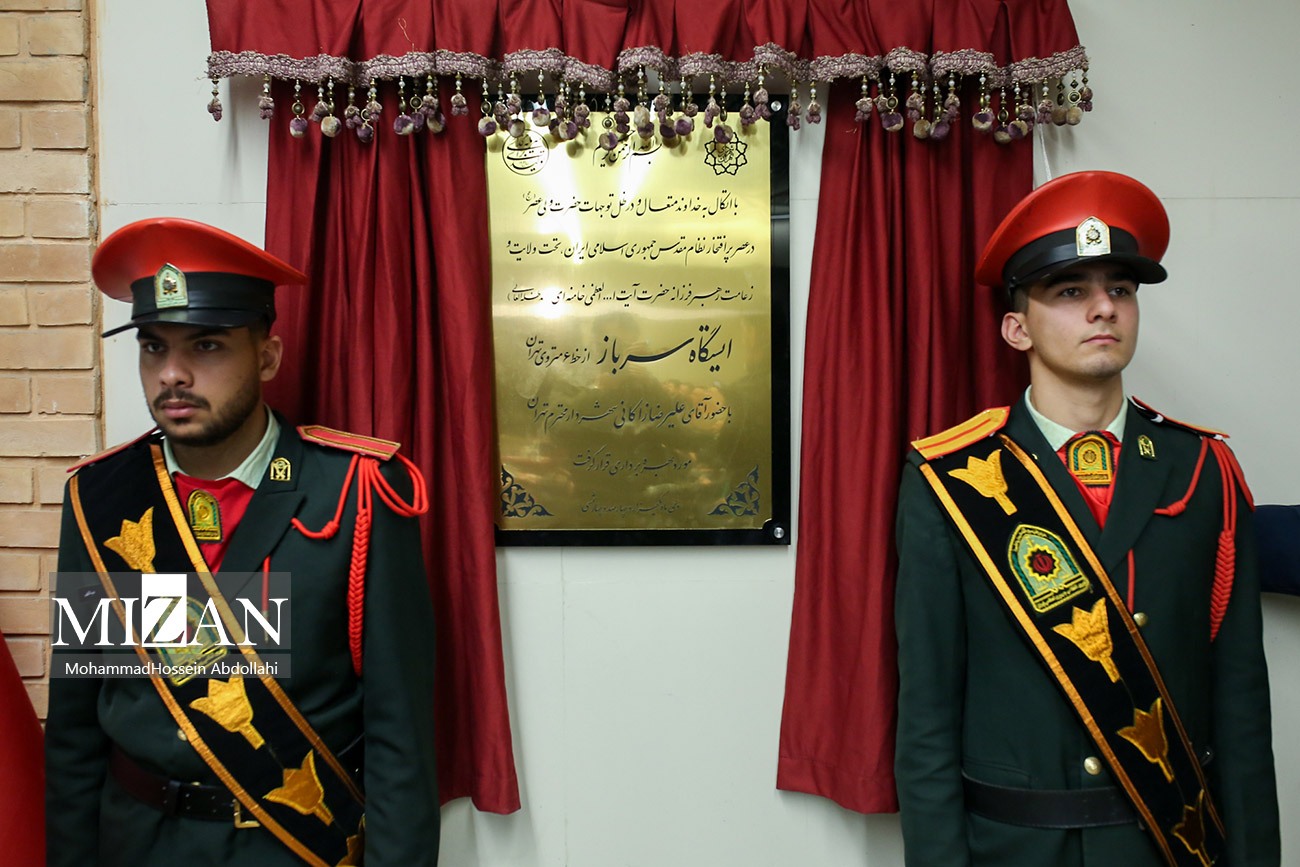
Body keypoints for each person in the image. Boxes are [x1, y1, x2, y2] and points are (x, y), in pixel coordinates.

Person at [893, 171, 1279, 866]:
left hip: (1171, 845)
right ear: (1016, 328)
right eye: (1071, 292)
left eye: (1121, 290)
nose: (1104, 308)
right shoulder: (950, 480)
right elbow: (927, 717)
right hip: (1017, 850)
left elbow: (1242, 703)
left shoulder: (1203, 470)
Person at [46, 218, 441, 866]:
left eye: (205, 346)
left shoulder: (356, 493)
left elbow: (401, 736)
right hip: (137, 842)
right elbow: (74, 730)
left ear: (267, 356)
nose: (172, 374)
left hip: (292, 845)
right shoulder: (100, 498)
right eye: (153, 347)